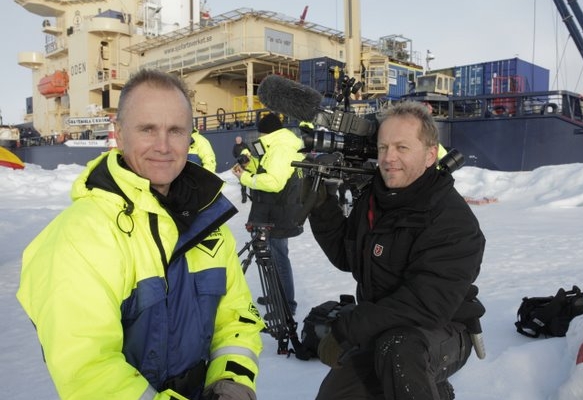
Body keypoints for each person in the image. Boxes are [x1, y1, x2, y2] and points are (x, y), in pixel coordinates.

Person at [17, 69, 264, 400]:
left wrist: (232, 379)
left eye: (175, 130)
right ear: (119, 135)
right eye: (147, 129)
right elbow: (89, 370)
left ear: (190, 137)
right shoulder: (77, 237)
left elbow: (236, 316)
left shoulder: (208, 222)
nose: (163, 146)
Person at [308, 101, 486, 400]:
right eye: (383, 147)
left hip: (443, 329)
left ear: (430, 155)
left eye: (402, 147)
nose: (389, 158)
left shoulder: (452, 219)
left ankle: (429, 384)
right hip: (383, 323)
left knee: (399, 349)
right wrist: (321, 206)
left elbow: (425, 305)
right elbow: (347, 257)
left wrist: (347, 329)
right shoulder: (376, 200)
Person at [231, 112, 305, 317]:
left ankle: (286, 305)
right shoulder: (276, 146)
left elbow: (274, 182)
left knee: (278, 258)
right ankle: (275, 295)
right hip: (274, 210)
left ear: (266, 133)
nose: (259, 137)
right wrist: (250, 166)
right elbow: (266, 169)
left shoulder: (281, 149)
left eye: (260, 133)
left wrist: (245, 178)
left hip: (279, 212)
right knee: (270, 256)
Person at [232, 135, 250, 203]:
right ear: (236, 140)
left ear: (241, 140)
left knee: (249, 179)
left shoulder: (245, 145)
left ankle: (252, 195)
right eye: (237, 140)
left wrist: (246, 159)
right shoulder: (235, 146)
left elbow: (249, 151)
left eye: (239, 140)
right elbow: (234, 153)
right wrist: (238, 158)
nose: (238, 141)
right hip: (239, 164)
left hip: (247, 164)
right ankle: (244, 197)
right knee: (242, 181)